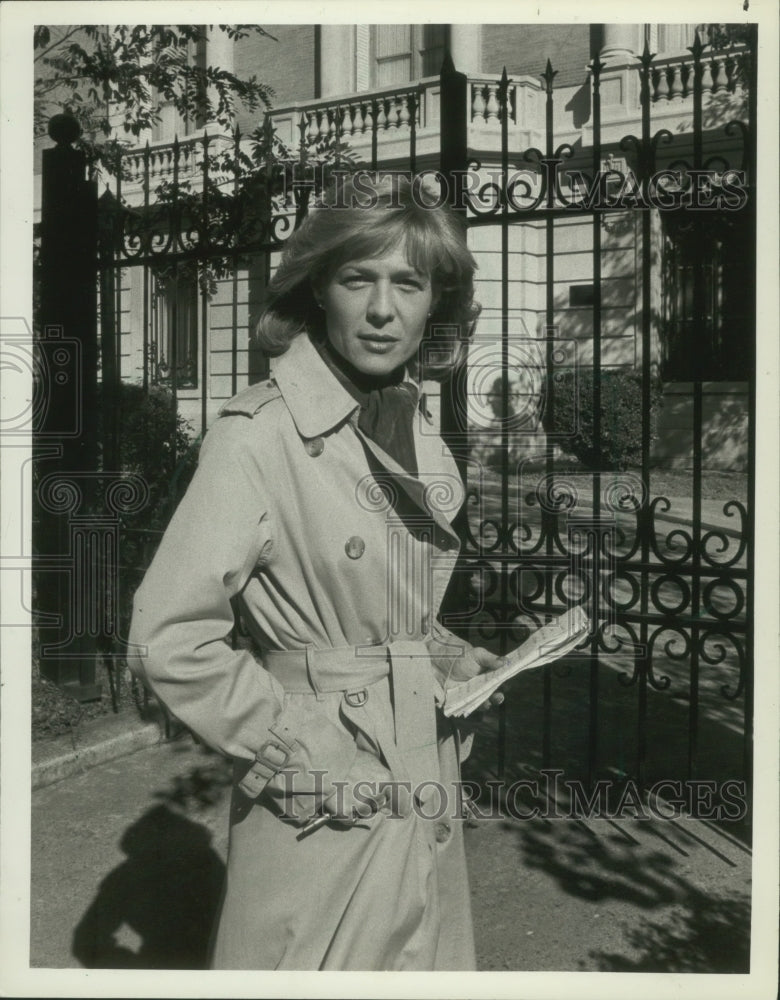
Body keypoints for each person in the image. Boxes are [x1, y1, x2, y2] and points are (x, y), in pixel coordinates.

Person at [129, 173, 503, 971]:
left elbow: (384, 608)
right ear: (317, 291)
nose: (382, 309)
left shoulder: (416, 429)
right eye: (357, 278)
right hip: (326, 790)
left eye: (408, 282)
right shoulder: (257, 437)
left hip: (421, 773)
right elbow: (169, 638)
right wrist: (298, 748)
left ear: (434, 300)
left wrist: (445, 657)